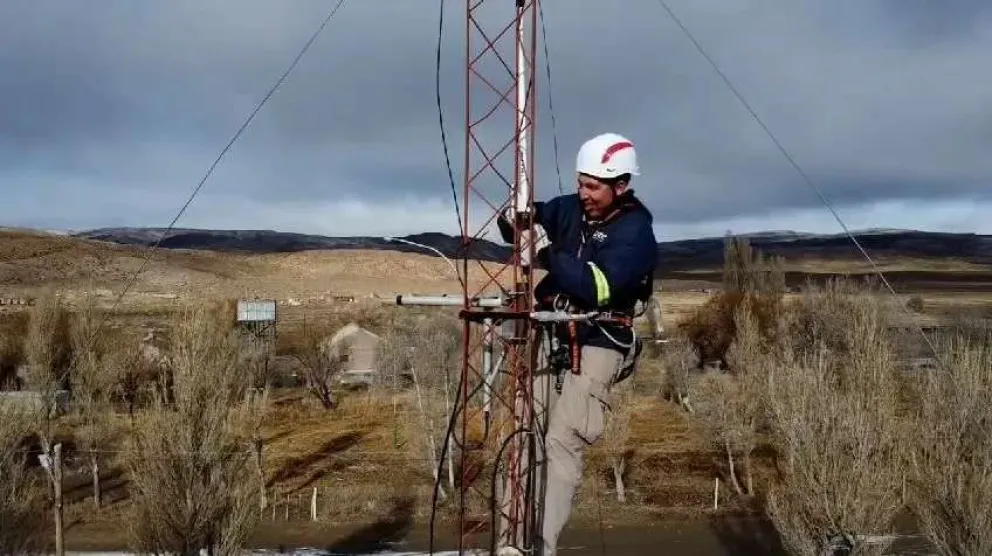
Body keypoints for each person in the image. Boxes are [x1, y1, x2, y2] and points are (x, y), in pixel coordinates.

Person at [497, 132, 658, 555]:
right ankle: (509, 542)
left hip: (600, 335)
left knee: (563, 437)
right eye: (580, 183)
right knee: (524, 430)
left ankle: (540, 546)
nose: (583, 193)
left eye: (593, 186)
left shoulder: (636, 232)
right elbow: (529, 221)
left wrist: (548, 256)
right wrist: (516, 218)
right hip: (554, 331)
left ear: (620, 186)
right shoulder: (572, 208)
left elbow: (598, 287)